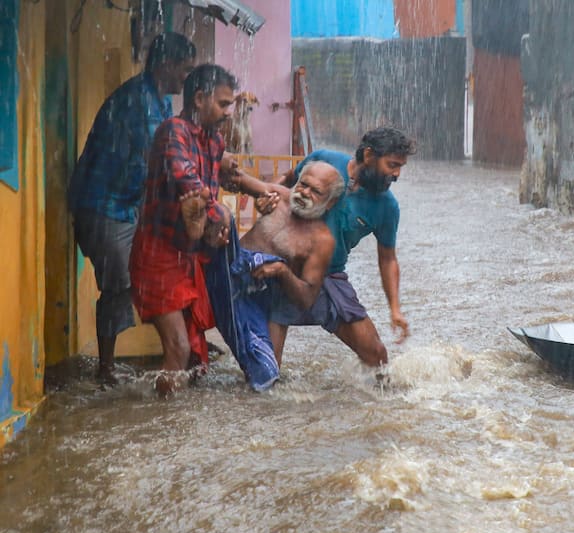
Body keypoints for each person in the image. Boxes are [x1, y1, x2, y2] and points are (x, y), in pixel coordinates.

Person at [129, 64, 274, 396]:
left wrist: (265, 192)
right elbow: (186, 181)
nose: (228, 112)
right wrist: (217, 219)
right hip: (158, 255)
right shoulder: (173, 131)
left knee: (193, 355)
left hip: (188, 256)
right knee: (179, 348)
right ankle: (163, 424)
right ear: (199, 99)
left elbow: (230, 177)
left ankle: (174, 419)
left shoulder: (213, 141)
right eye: (223, 104)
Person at [67, 32, 197, 383]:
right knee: (121, 283)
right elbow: (158, 164)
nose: (186, 78)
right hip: (103, 206)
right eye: (184, 71)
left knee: (152, 272)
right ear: (166, 65)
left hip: (128, 207)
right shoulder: (139, 103)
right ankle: (106, 369)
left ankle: (177, 345)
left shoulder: (160, 100)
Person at [261, 127, 417, 368]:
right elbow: (289, 178)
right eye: (392, 165)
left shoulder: (387, 207)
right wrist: (267, 196)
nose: (396, 174)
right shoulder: (324, 160)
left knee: (377, 357)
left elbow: (388, 259)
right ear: (368, 156)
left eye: (400, 167)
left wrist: (395, 310)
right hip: (283, 269)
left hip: (329, 276)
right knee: (266, 371)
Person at [204, 160, 344, 390]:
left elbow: (306, 298)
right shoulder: (278, 196)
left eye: (315, 191)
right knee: (222, 215)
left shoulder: (322, 241)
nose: (304, 193)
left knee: (266, 378)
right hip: (224, 271)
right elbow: (235, 179)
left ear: (331, 202)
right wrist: (220, 158)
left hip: (257, 298)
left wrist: (281, 271)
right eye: (302, 185)